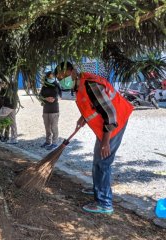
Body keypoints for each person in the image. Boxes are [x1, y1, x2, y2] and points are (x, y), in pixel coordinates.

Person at [55, 62, 133, 214]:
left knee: (103, 161)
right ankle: (98, 188)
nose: (63, 80)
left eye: (64, 76)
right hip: (108, 123)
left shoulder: (90, 84)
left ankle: (104, 203)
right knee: (98, 159)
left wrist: (105, 141)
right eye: (60, 78)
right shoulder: (80, 83)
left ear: (72, 71)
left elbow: (110, 114)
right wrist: (83, 117)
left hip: (115, 122)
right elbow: (94, 105)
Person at [39, 71, 62, 150]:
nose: (51, 78)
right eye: (49, 76)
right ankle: (48, 141)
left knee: (54, 127)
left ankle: (55, 143)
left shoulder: (56, 85)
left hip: (54, 109)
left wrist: (51, 99)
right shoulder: (44, 85)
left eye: (52, 76)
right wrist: (45, 99)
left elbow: (56, 97)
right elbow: (40, 96)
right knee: (47, 127)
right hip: (45, 109)